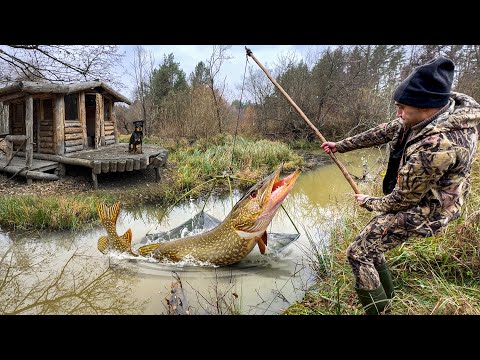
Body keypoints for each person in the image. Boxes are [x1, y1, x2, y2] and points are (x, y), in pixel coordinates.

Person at [321, 56, 480, 315]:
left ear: (426, 107)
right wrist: (340, 145)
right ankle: (389, 298)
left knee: (358, 252)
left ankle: (379, 310)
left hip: (431, 211)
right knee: (371, 243)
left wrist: (369, 202)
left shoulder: (438, 146)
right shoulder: (425, 116)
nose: (398, 113)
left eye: (402, 107)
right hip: (416, 197)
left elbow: (402, 201)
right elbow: (385, 130)